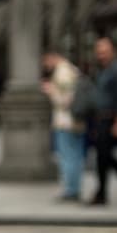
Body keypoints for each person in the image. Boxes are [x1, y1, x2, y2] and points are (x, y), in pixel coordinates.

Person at [41, 50, 86, 201]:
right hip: (76, 121)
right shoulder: (73, 69)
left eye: (46, 61)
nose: (45, 65)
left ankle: (71, 190)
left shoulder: (62, 72)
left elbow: (65, 100)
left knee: (68, 156)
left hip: (66, 122)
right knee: (75, 156)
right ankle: (74, 188)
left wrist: (50, 91)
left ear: (52, 57)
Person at [88, 36, 117, 205]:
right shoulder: (102, 71)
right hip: (101, 119)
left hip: (111, 119)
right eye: (99, 52)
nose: (101, 55)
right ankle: (101, 193)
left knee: (104, 156)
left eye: (104, 52)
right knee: (102, 157)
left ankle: (101, 193)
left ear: (113, 51)